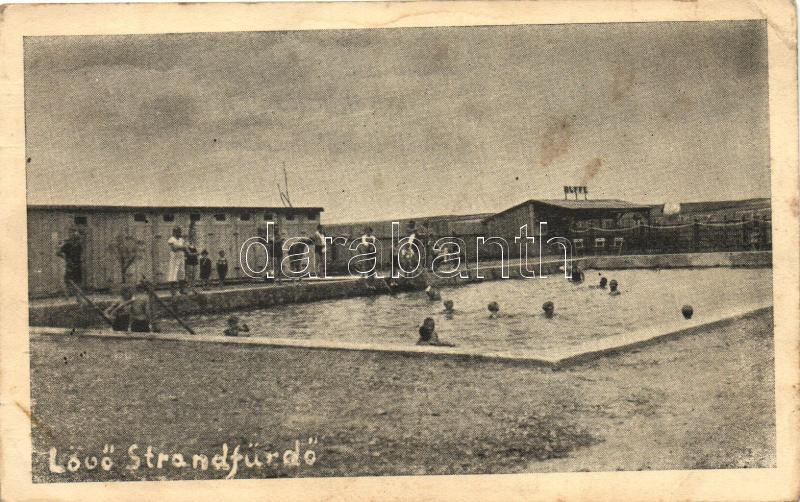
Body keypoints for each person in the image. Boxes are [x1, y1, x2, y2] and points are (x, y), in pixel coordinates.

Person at [56, 228, 83, 300]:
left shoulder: (79, 246)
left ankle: (78, 297)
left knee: (77, 281)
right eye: (75, 238)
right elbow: (58, 253)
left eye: (77, 238)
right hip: (70, 265)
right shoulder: (67, 245)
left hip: (77, 265)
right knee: (68, 280)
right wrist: (65, 258)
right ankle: (67, 296)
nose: (77, 240)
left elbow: (79, 255)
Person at [167, 227, 187, 295]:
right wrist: (182, 247)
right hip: (174, 258)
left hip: (181, 257)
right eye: (177, 231)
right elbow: (174, 249)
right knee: (173, 273)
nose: (179, 233)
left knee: (182, 273)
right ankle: (173, 291)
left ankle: (182, 290)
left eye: (179, 231)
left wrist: (181, 247)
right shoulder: (171, 239)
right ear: (174, 232)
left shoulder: (181, 239)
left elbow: (185, 248)